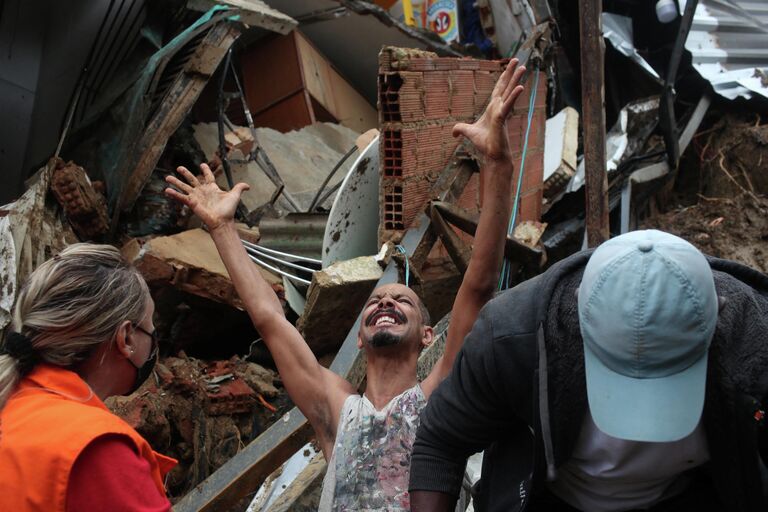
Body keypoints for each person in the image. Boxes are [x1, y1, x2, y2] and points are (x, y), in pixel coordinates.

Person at [164, 59, 527, 510]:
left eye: (402, 300)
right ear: (359, 335)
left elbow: (478, 284)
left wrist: (497, 164)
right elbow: (270, 320)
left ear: (429, 335)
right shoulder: (337, 409)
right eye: (376, 301)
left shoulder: (437, 396)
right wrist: (222, 230)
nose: (386, 302)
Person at [409, 229, 768, 511]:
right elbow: (441, 441)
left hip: (689, 493)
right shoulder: (511, 338)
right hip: (554, 499)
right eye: (620, 375)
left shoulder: (755, 341)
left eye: (668, 376)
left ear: (719, 316)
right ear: (578, 313)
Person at [0, 244, 177, 512]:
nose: (153, 341)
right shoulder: (98, 448)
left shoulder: (15, 399)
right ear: (126, 337)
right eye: (150, 329)